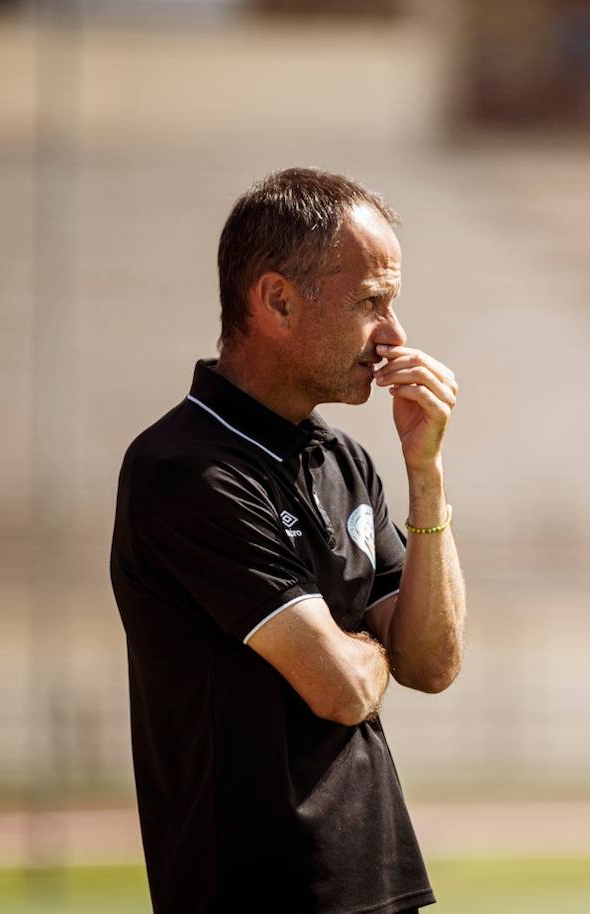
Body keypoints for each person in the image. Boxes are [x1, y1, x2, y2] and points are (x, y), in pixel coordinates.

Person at [109, 167, 465, 914]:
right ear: (276, 300)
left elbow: (431, 663)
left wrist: (424, 475)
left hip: (379, 885)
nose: (395, 334)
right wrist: (373, 649)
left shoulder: (346, 461)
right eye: (371, 302)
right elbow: (340, 690)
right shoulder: (183, 470)